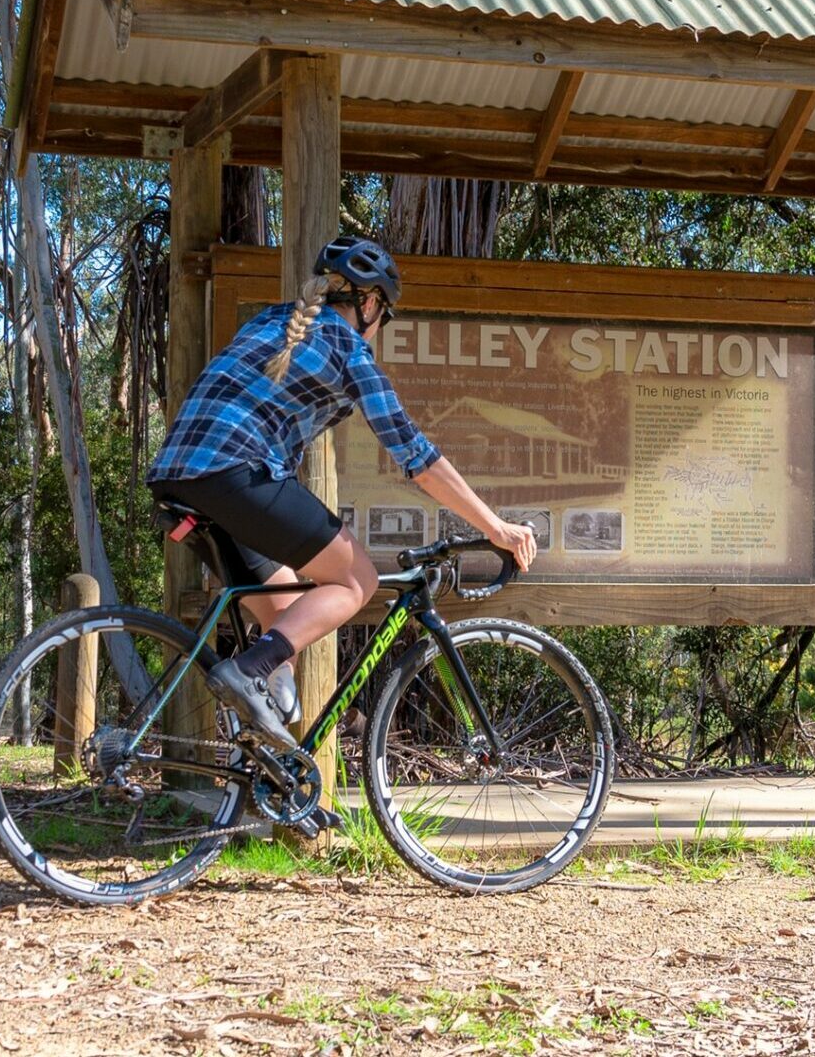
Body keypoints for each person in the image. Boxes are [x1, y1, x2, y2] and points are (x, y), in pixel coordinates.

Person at [147, 236, 537, 745]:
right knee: (357, 580)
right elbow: (416, 456)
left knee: (285, 624)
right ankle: (245, 676)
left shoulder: (272, 321)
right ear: (371, 304)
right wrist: (497, 527)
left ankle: (270, 763)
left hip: (179, 474)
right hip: (237, 471)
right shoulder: (347, 346)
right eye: (384, 315)